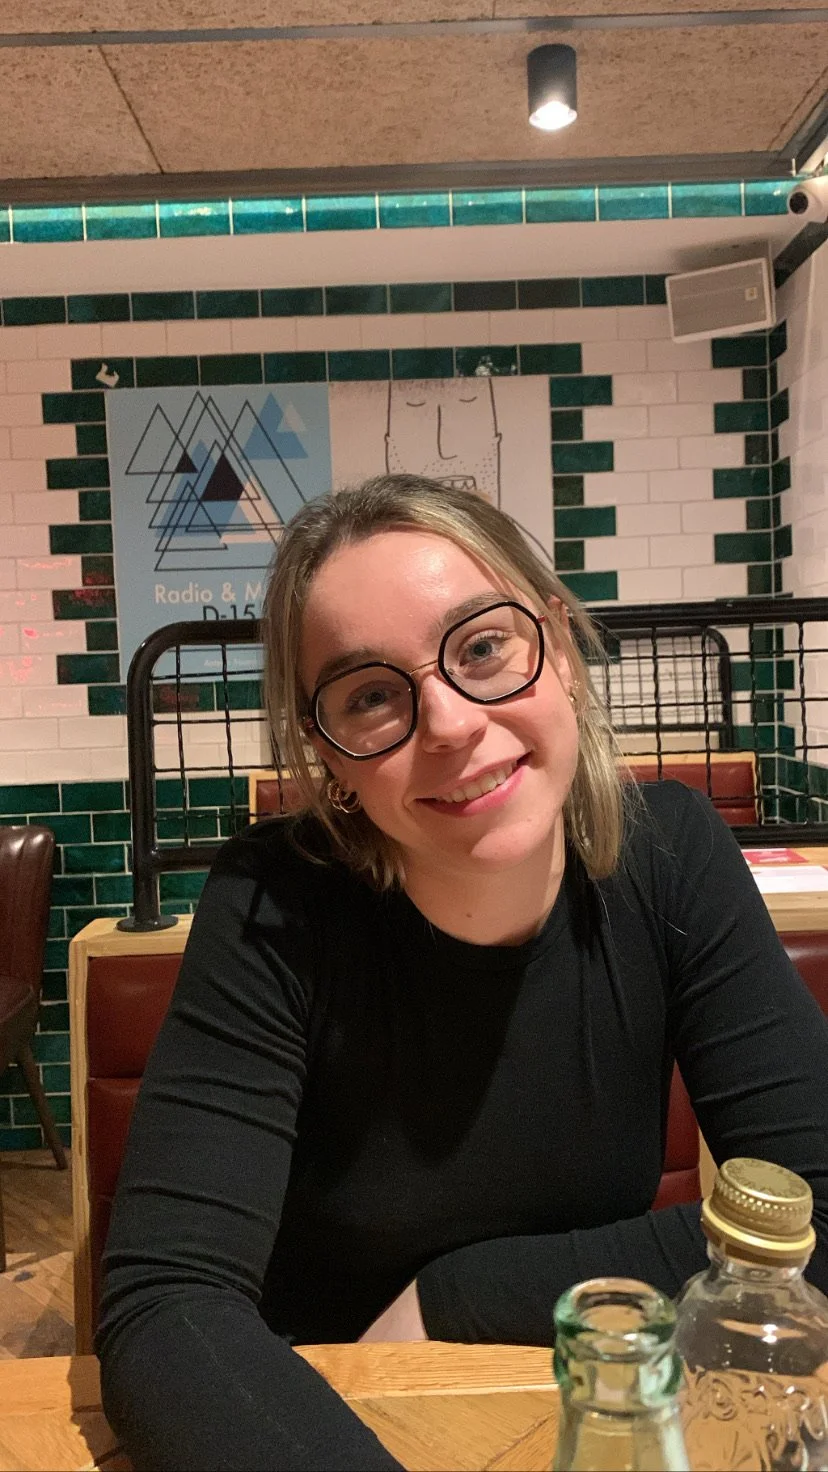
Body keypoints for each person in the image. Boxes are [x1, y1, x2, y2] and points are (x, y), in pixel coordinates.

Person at [97, 474, 828, 1472]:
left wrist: (456, 1293)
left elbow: (816, 1213)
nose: (446, 721)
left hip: (580, 1409)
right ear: (330, 756)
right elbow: (167, 1306)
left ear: (559, 646)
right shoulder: (272, 905)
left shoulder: (672, 857)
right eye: (370, 694)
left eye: (483, 646)